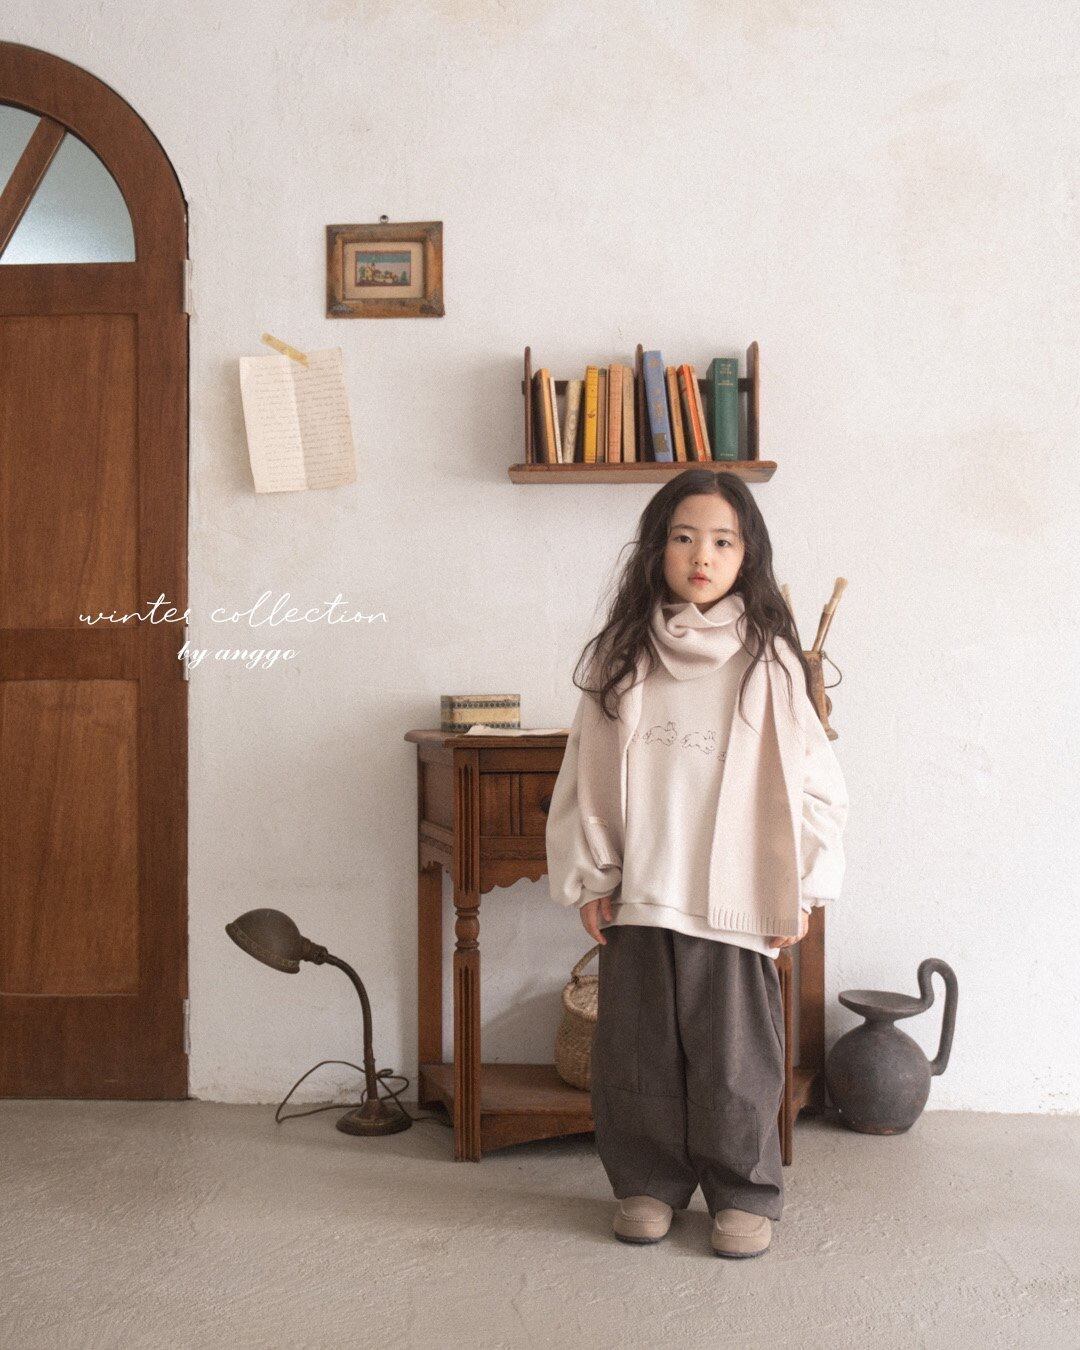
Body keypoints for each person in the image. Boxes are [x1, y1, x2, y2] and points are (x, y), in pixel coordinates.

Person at [545, 467, 849, 1258]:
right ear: (657, 549)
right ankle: (646, 1184)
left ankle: (742, 1193)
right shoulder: (621, 654)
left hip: (736, 896)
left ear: (747, 556)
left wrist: (803, 888)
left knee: (736, 1059)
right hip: (644, 888)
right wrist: (592, 875)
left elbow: (816, 784)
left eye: (722, 540)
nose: (702, 556)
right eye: (684, 538)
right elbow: (587, 773)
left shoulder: (771, 662)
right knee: (636, 1054)